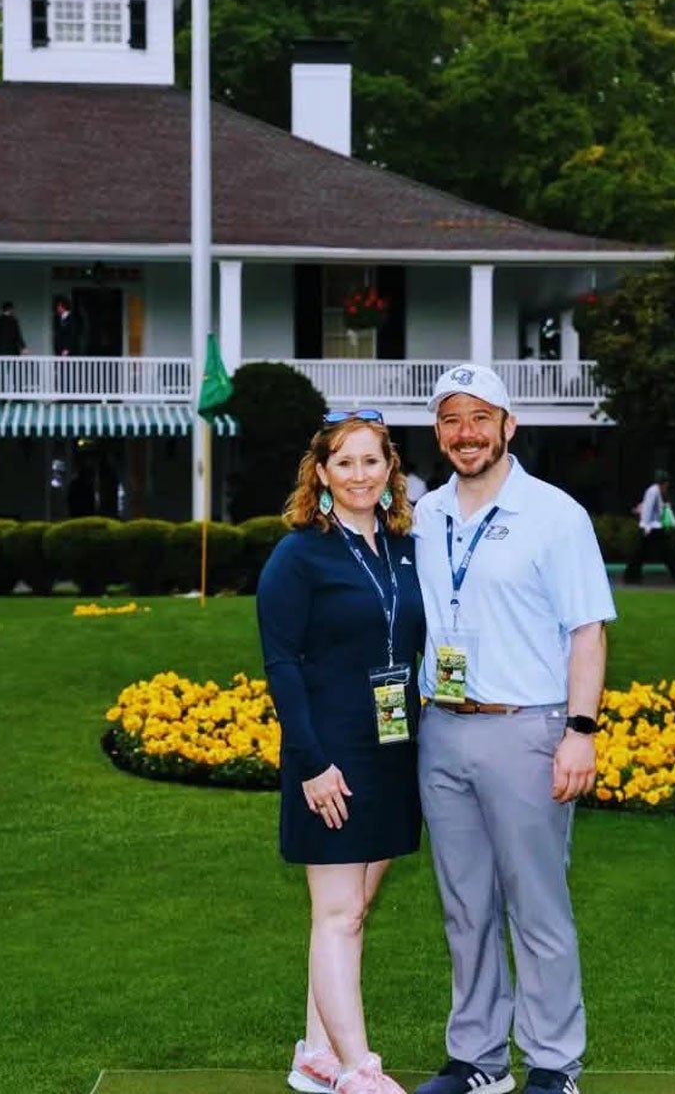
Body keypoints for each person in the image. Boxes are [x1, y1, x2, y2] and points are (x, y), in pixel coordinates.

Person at [411, 365, 615, 1094]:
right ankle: (479, 1058)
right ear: (438, 433)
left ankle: (555, 1063)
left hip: (526, 729)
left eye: (479, 417)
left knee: (536, 903)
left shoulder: (556, 513)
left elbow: (587, 631)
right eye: (451, 419)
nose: (465, 433)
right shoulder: (424, 515)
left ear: (508, 425)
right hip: (442, 728)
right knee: (465, 904)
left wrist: (581, 730)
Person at [257, 410, 425, 1094]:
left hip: (389, 746)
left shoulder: (402, 548)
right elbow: (281, 664)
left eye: (372, 460)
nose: (360, 474)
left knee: (353, 908)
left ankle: (315, 1051)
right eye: (345, 462)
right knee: (336, 911)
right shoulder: (298, 553)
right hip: (329, 751)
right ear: (321, 473)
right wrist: (310, 762)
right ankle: (358, 1067)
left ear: (391, 471)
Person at [625, 471, 675, 584]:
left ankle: (632, 575)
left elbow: (651, 507)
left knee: (643, 552)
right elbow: (648, 508)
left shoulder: (655, 491)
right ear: (664, 483)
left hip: (653, 527)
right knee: (663, 551)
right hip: (652, 527)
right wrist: (646, 526)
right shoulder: (654, 491)